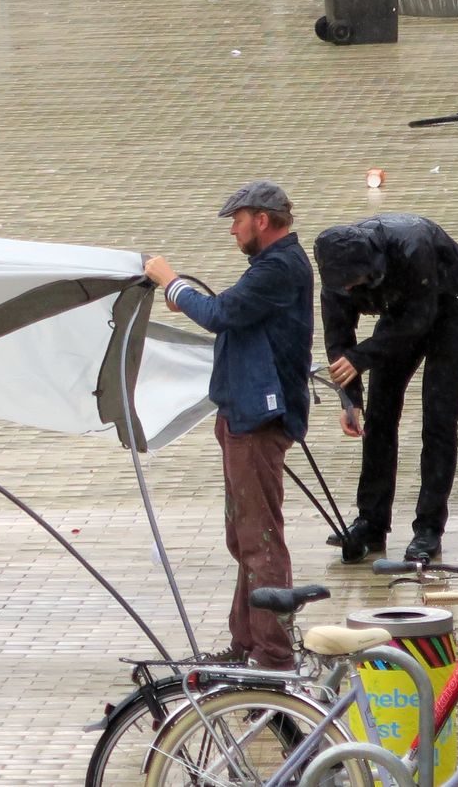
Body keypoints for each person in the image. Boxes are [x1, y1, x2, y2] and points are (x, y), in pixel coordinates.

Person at [144, 181, 313, 670]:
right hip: (243, 414)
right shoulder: (273, 267)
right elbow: (231, 313)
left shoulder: (279, 267)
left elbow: (221, 313)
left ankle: (273, 654)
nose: (233, 231)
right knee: (245, 535)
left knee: (260, 539)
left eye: (237, 221)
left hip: (258, 421)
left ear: (262, 219)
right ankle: (247, 644)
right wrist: (191, 301)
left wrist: (171, 283)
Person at [314, 215, 458, 565]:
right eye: (343, 287)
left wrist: (363, 357)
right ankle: (371, 522)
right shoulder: (336, 277)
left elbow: (418, 321)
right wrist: (350, 399)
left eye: (354, 284)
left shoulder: (412, 245)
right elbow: (339, 340)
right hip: (402, 306)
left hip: (451, 299)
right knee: (379, 413)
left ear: (371, 269)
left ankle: (429, 528)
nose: (348, 291)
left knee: (439, 416)